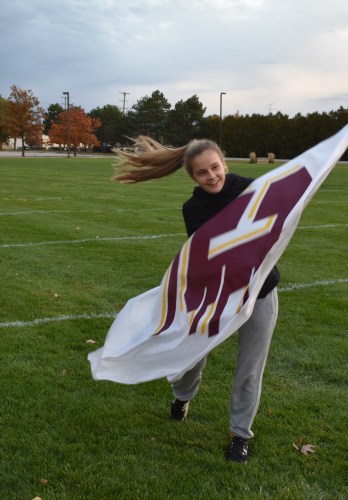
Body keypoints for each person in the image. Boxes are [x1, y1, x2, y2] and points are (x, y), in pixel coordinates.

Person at [113, 136, 280, 463]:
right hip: (219, 296)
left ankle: (240, 435)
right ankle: (182, 396)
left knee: (250, 369)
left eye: (215, 167)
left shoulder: (254, 187)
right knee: (192, 355)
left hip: (261, 293)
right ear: (194, 178)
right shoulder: (194, 209)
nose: (212, 176)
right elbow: (213, 255)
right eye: (203, 173)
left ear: (225, 163)